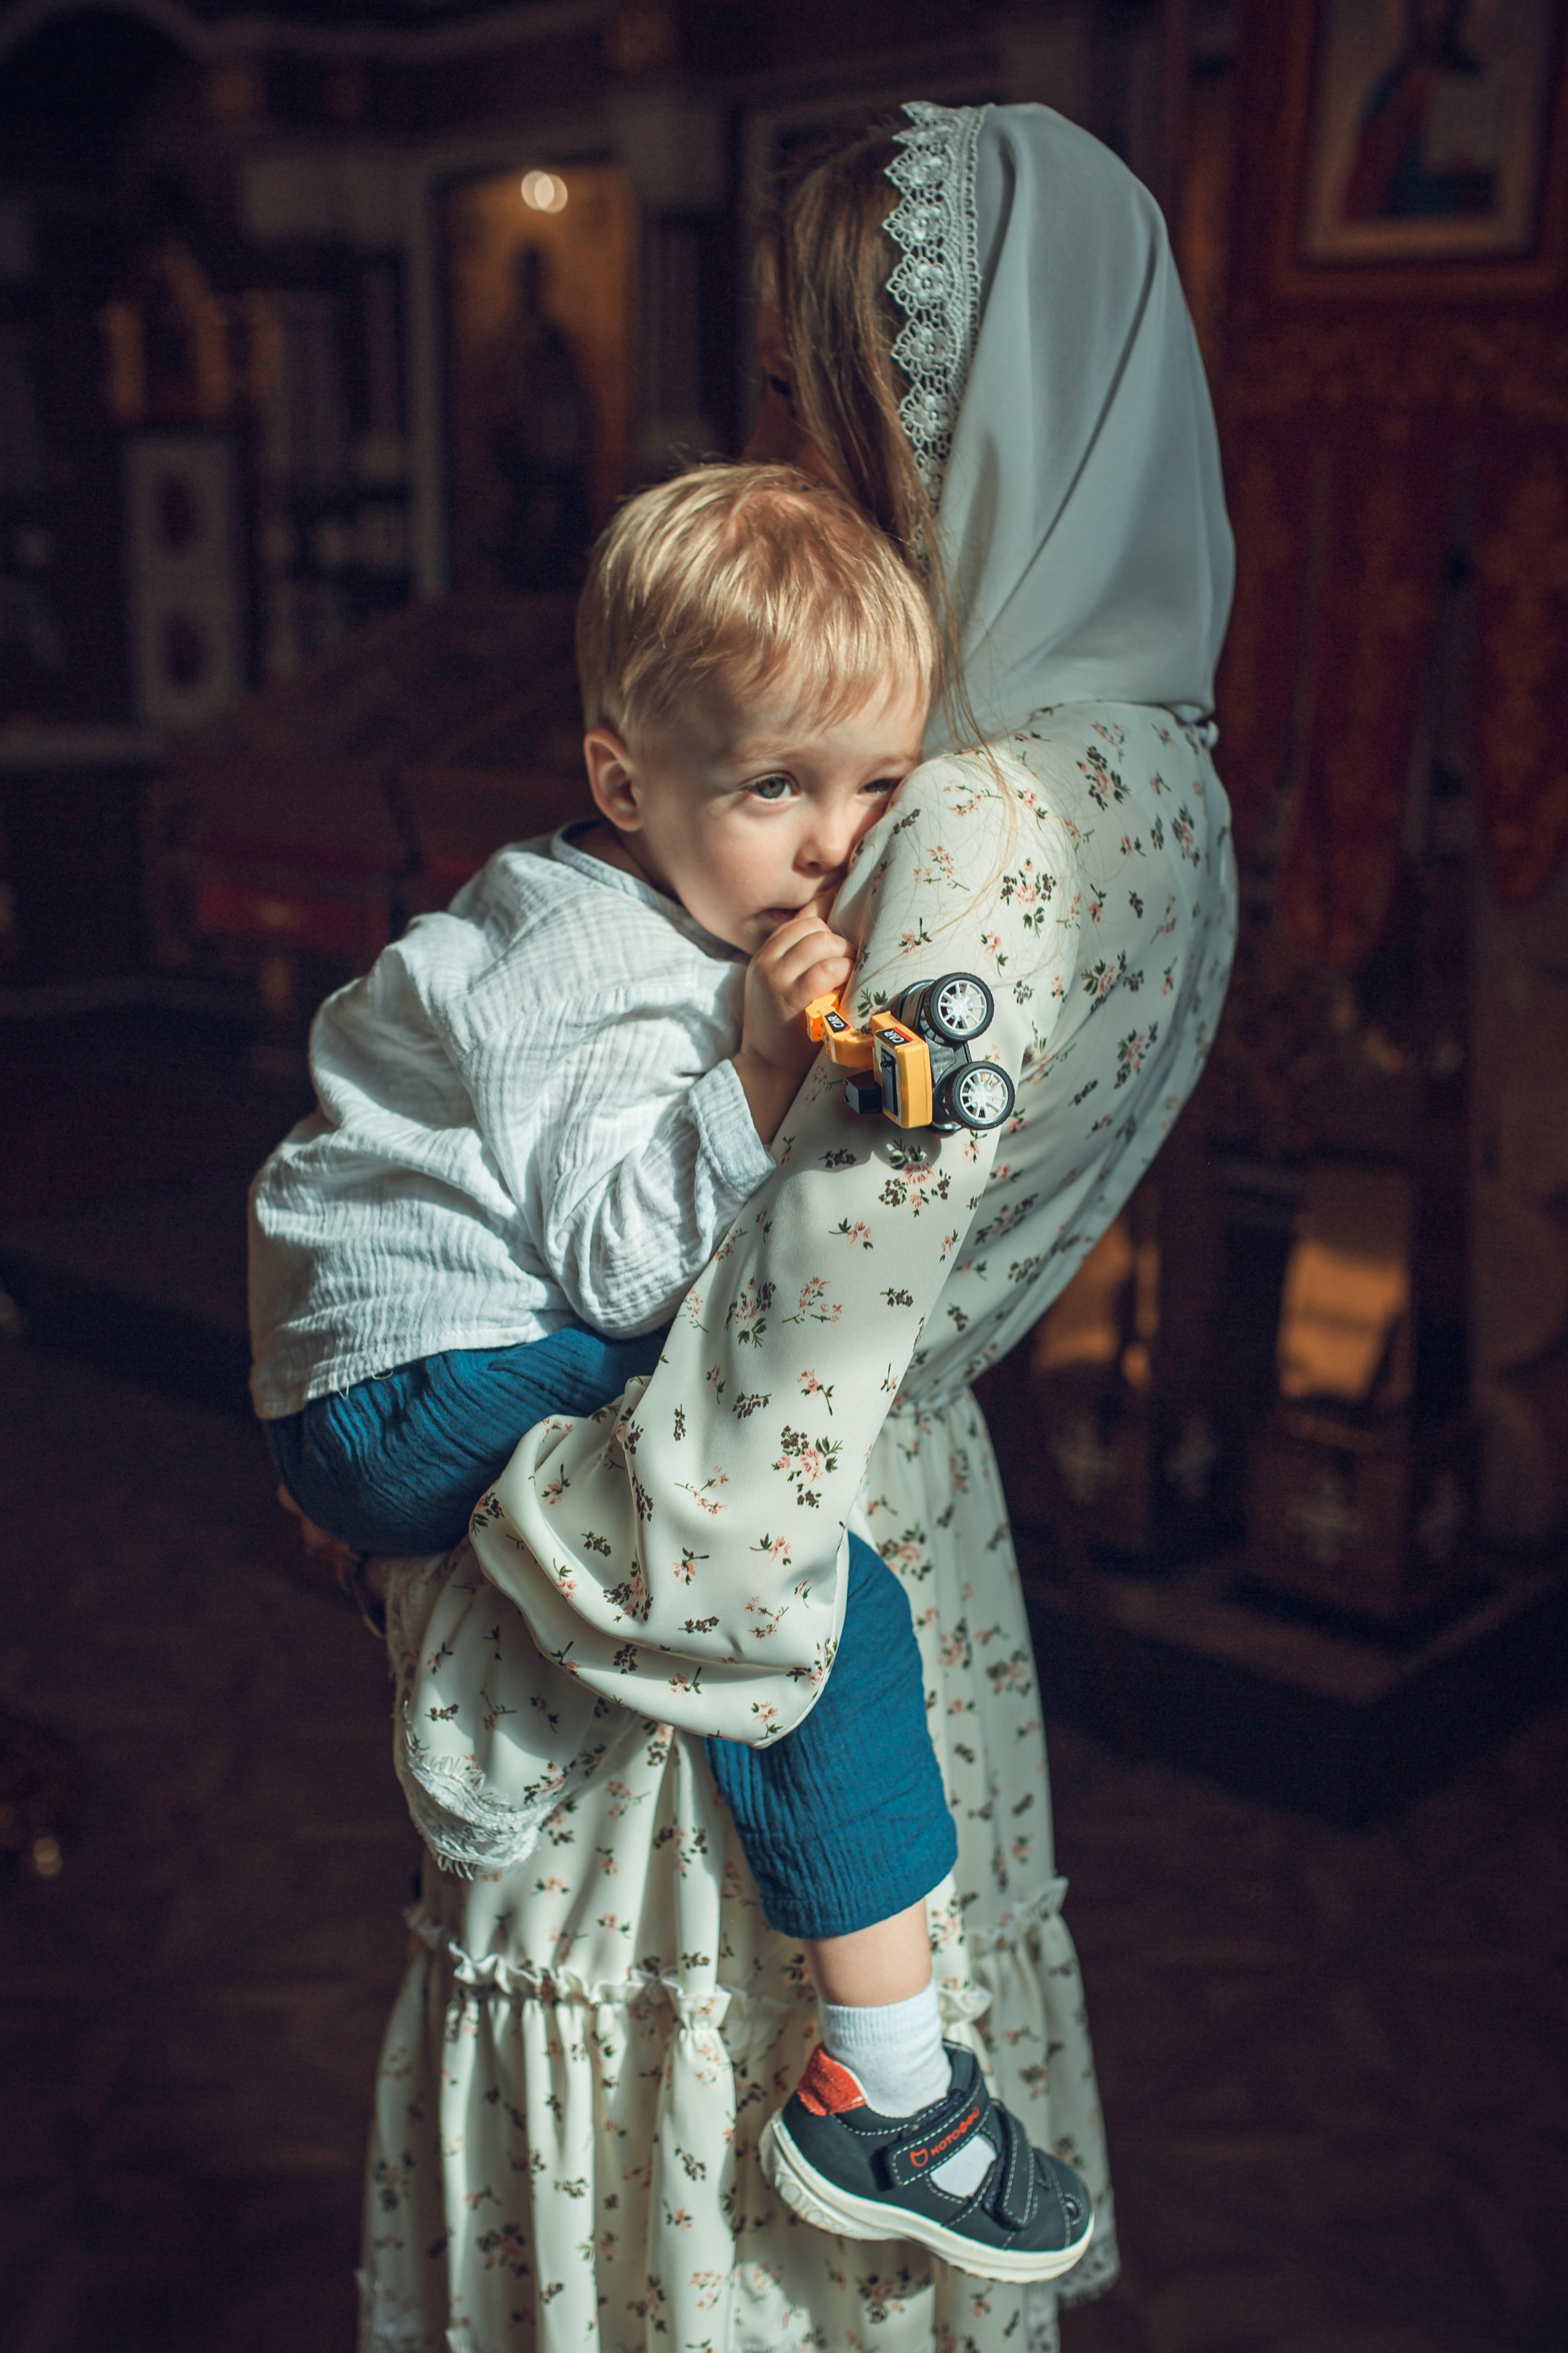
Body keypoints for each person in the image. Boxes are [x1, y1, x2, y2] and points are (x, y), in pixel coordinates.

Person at [357, 100, 1236, 2353]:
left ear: (938, 409)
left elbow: (760, 1414)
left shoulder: (975, 827)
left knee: (715, 2235)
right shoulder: (1161, 780)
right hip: (910, 1551)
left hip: (721, 1632)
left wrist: (452, 1521)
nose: (794, 441)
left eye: (808, 391)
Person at [249, 460, 1095, 2278]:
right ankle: (888, 2092)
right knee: (795, 1594)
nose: (834, 841)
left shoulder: (689, 916)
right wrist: (767, 1086)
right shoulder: (579, 957)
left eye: (876, 784)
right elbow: (622, 1256)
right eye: (775, 786)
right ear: (624, 783)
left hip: (440, 1350)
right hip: (391, 1387)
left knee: (739, 1510)